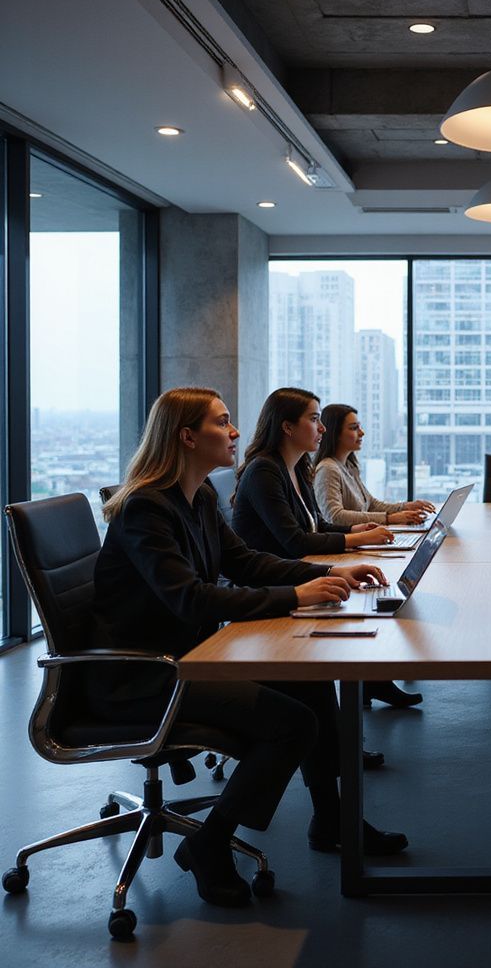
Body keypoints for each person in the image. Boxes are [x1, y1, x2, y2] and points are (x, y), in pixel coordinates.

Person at [91, 388, 407, 909]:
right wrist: (297, 593)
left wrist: (327, 574)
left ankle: (332, 819)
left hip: (193, 657)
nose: (236, 432)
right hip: (146, 677)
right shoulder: (146, 509)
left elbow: (247, 563)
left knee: (310, 685)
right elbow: (190, 599)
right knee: (294, 723)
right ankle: (208, 845)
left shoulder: (198, 498)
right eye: (223, 422)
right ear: (187, 436)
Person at [230, 386, 402, 766]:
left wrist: (356, 535)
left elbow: (315, 523)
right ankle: (336, 784)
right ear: (287, 427)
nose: (321, 429)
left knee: (343, 632)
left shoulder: (295, 468)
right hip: (266, 591)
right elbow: (292, 541)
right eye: (313, 419)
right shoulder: (264, 471)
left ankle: (334, 791)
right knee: (322, 666)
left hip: (288, 580)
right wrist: (341, 555)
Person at [314, 402, 436, 709]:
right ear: (334, 433)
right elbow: (335, 515)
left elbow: (370, 503)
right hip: (342, 555)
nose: (362, 432)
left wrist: (406, 507)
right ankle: (370, 679)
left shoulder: (347, 465)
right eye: (353, 428)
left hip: (355, 550)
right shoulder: (327, 469)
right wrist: (391, 520)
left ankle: (373, 681)